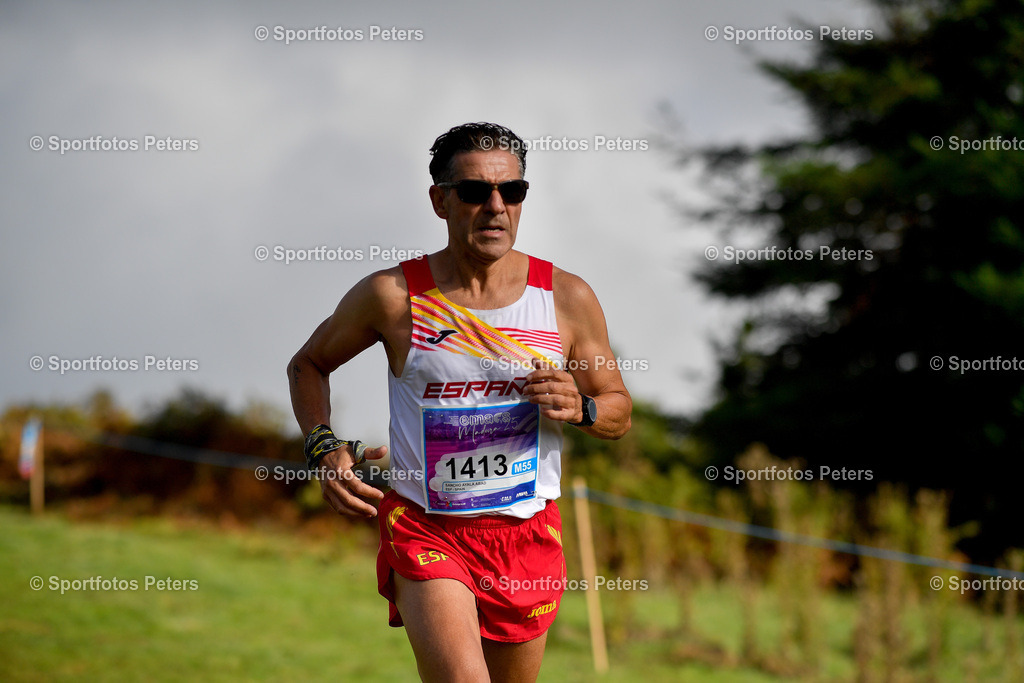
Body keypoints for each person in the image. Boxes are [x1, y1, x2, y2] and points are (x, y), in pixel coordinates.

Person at [288, 122, 631, 682]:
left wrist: (583, 409)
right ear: (440, 201)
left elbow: (617, 407)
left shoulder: (566, 297)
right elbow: (308, 364)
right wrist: (324, 448)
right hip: (427, 525)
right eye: (474, 192)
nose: (495, 207)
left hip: (525, 530)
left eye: (511, 192)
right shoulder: (393, 296)